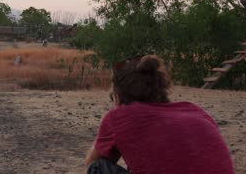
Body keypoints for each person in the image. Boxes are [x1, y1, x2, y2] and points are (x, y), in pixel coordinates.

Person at [85, 55, 235, 174]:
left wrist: (116, 113)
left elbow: (93, 161)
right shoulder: (195, 110)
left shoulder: (119, 116)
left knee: (98, 167)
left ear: (119, 96)